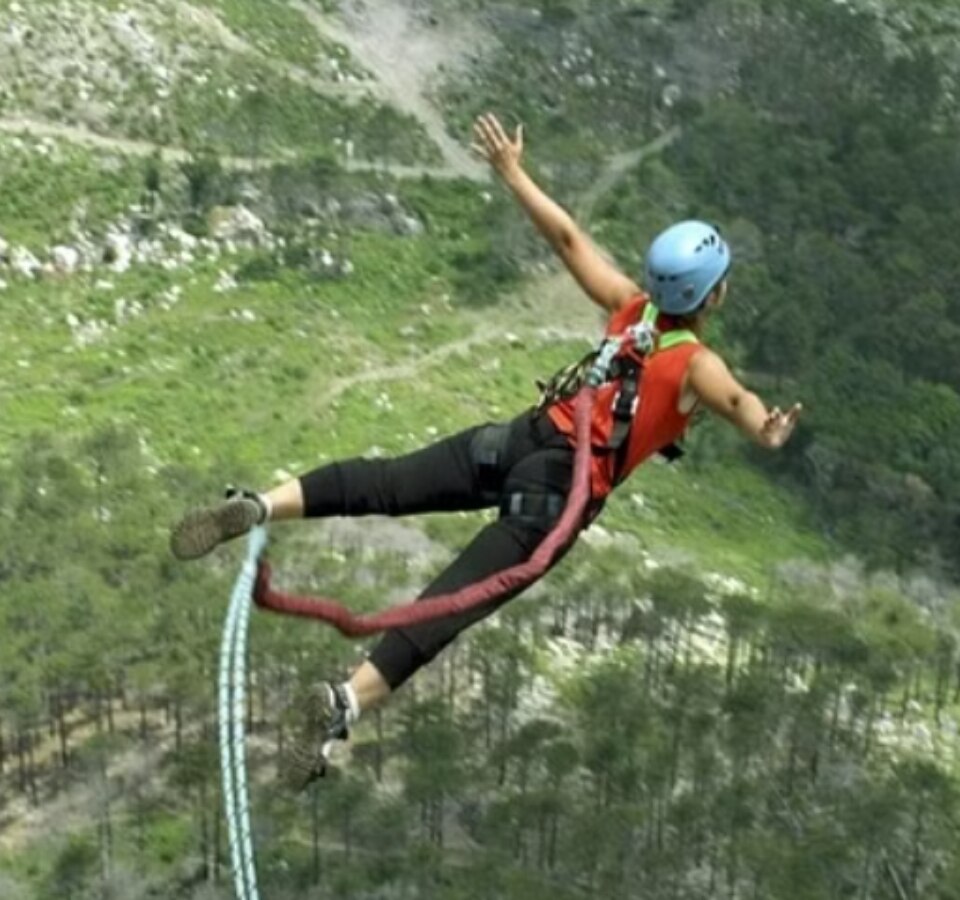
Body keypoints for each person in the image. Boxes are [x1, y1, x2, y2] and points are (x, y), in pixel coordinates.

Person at [169, 113, 803, 791]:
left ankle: (262, 504)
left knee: (387, 482)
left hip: (520, 440)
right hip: (559, 497)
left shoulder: (628, 307)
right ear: (714, 294)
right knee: (448, 602)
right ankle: (341, 704)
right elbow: (736, 403)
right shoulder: (695, 362)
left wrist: (511, 171)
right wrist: (769, 429)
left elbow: (567, 238)